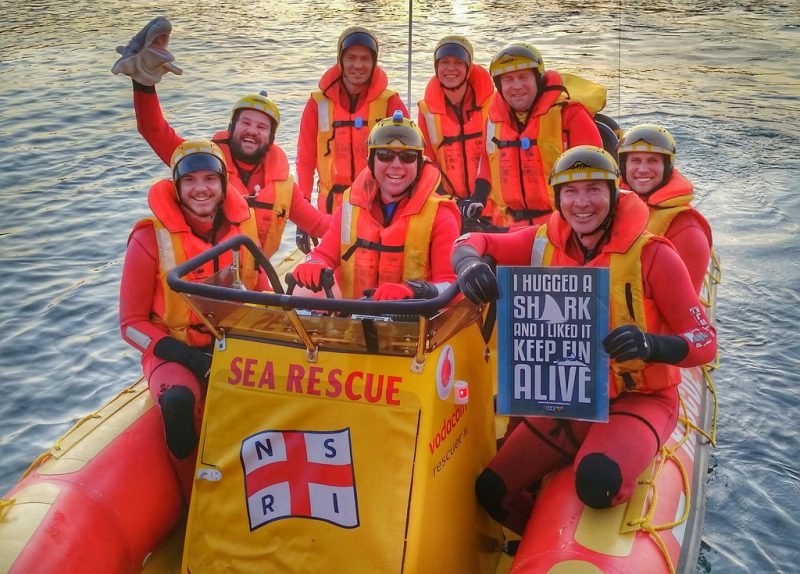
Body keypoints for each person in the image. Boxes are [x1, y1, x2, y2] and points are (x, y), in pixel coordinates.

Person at [451, 145, 717, 534]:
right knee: (492, 490)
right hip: (572, 395)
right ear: (557, 198)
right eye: (570, 191)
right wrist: (468, 264)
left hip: (638, 396)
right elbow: (473, 241)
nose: (582, 203)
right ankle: (541, 542)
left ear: (613, 193)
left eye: (594, 189)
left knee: (597, 480)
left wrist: (651, 345)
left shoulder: (653, 255)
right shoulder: (545, 240)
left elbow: (704, 341)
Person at [119, 139, 267, 498]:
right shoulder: (149, 238)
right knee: (179, 402)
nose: (200, 189)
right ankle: (193, 500)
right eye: (190, 181)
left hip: (231, 342)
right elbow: (130, 325)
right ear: (177, 187)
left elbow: (261, 290)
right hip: (172, 350)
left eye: (209, 179)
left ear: (222, 185)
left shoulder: (243, 229)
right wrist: (188, 357)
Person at [113, 18, 330, 256]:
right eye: (245, 123)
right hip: (202, 275)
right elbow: (154, 131)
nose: (251, 131)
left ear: (270, 139)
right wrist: (143, 85)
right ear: (232, 128)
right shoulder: (202, 161)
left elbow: (319, 224)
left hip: (253, 280)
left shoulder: (284, 187)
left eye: (261, 127)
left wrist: (363, 226)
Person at [292, 112, 460, 301]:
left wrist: (415, 291)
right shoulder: (351, 207)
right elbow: (323, 254)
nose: (396, 165)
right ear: (371, 161)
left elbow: (452, 285)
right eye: (385, 155)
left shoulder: (441, 215)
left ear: (420, 164)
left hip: (412, 322)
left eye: (408, 157)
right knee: (303, 290)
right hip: (352, 318)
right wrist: (313, 263)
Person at [477, 43, 603, 229]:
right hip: (506, 226)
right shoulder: (493, 121)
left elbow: (598, 182)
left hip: (562, 226)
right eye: (509, 80)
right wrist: (476, 198)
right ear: (499, 85)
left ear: (538, 79)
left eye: (523, 77)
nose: (517, 86)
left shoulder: (571, 116)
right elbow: (486, 169)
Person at [295, 26, 409, 216]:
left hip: (378, 205)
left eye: (365, 58)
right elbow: (305, 160)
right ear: (340, 61)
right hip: (332, 208)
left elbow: (410, 159)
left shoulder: (390, 103)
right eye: (351, 58)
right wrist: (303, 210)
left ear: (374, 62)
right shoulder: (317, 105)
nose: (358, 65)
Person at [618, 124, 713, 294]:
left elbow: (683, 305)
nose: (643, 169)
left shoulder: (688, 230)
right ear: (624, 166)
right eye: (635, 160)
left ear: (667, 166)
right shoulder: (612, 203)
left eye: (652, 161)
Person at [417, 35, 494, 218]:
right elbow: (426, 164)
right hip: (449, 207)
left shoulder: (495, 105)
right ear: (436, 67)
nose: (450, 68)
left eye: (458, 62)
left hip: (492, 206)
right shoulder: (426, 111)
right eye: (444, 62)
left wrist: (479, 198)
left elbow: (498, 158)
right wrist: (453, 202)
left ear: (469, 68)